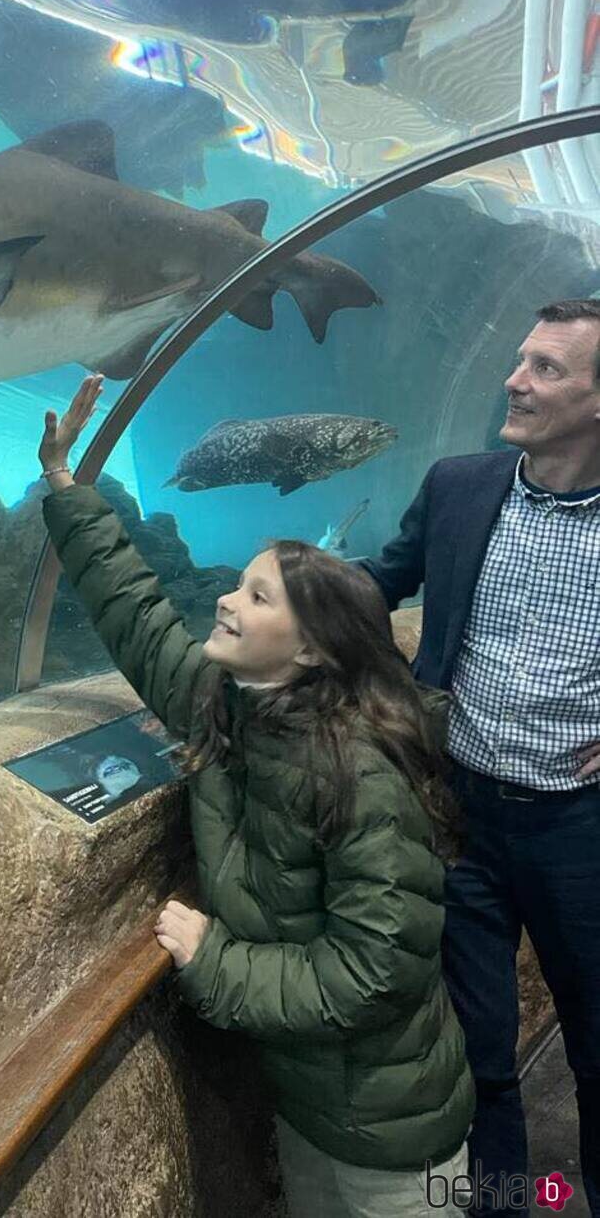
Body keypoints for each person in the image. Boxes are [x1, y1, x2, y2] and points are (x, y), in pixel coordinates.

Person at [38, 374, 475, 1217]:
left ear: (311, 650)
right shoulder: (227, 703)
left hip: (398, 1134)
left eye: (255, 595)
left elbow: (375, 971)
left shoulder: (362, 773)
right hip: (311, 1106)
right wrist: (68, 488)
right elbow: (139, 618)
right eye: (238, 584)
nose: (224, 597)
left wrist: (213, 961)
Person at [362, 299, 600, 1218]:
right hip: (464, 816)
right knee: (478, 1051)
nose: (515, 378)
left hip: (580, 831)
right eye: (518, 360)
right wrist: (268, 605)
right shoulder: (461, 484)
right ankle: (500, 1206)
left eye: (547, 368)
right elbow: (377, 582)